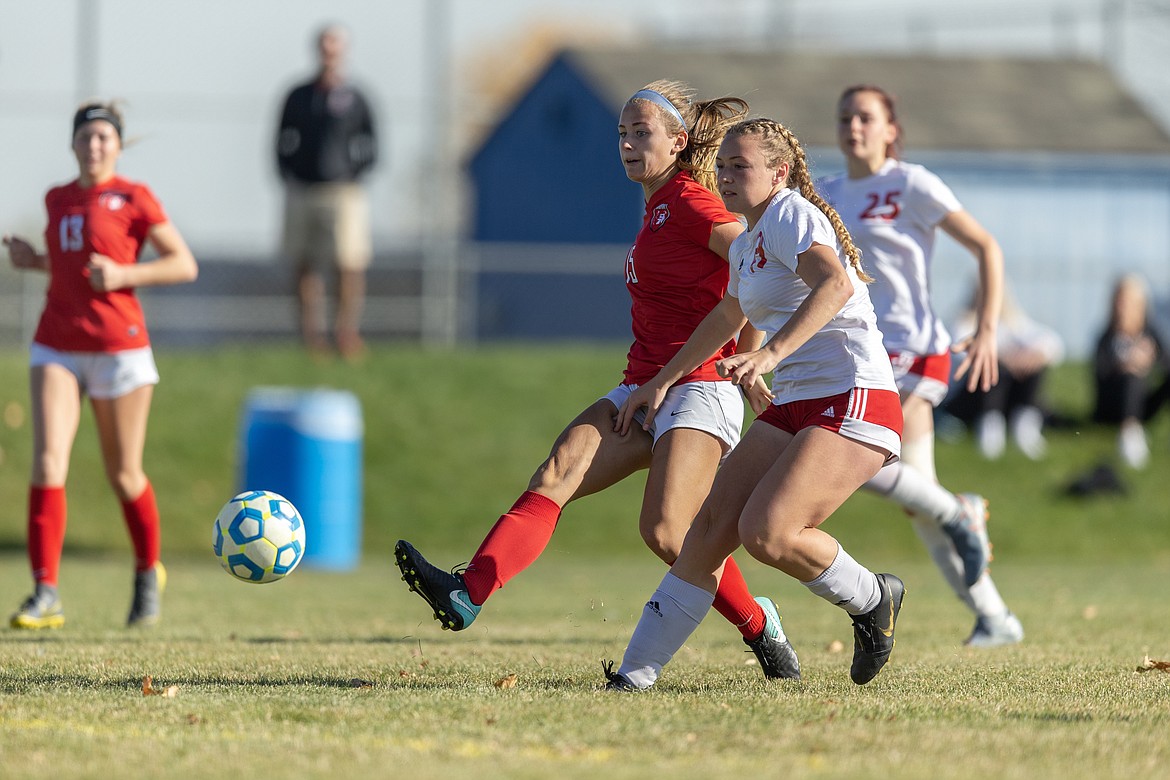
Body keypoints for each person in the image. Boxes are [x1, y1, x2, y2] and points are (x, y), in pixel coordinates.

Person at [395, 81, 802, 681]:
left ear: (679, 141)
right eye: (621, 134)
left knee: (668, 532)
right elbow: (734, 287)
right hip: (643, 387)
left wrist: (748, 360)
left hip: (698, 389)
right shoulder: (656, 208)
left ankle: (762, 629)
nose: (628, 145)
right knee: (556, 472)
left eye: (642, 133)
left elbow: (756, 270)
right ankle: (467, 593)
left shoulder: (694, 203)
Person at [604, 117, 904, 691]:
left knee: (769, 532)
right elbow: (726, 316)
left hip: (854, 394)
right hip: (795, 401)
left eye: (740, 166)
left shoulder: (791, 213)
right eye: (722, 166)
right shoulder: (747, 241)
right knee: (708, 530)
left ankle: (873, 597)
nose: (726, 176)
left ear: (780, 172)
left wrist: (769, 355)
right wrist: (667, 378)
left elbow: (835, 285)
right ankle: (634, 678)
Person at [818, 84, 1024, 648]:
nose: (853, 127)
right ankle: (996, 616)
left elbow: (987, 247)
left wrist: (986, 329)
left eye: (865, 117)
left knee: (871, 468)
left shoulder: (911, 183)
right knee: (919, 500)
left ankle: (960, 513)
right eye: (844, 118)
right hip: (867, 357)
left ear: (891, 129)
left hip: (919, 352)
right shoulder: (826, 193)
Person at [3, 102, 198, 630]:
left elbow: (184, 264)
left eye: (104, 137)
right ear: (72, 144)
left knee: (124, 473)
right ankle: (46, 592)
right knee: (48, 463)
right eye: (86, 136)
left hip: (120, 349)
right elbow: (68, 265)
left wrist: (123, 275)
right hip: (57, 344)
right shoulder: (57, 198)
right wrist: (33, 261)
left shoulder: (134, 197)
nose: (94, 145)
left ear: (117, 145)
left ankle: (145, 573)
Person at [276, 23, 378, 360]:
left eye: (335, 45)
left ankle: (346, 333)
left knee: (349, 264)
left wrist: (355, 173)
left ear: (344, 50)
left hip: (343, 191)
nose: (329, 51)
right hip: (303, 189)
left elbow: (372, 142)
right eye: (324, 45)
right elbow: (281, 140)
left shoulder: (356, 97)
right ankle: (311, 337)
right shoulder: (298, 95)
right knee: (305, 264)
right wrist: (288, 174)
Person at [944, 286, 1065, 460]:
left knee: (1033, 366)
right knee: (992, 366)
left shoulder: (1013, 324)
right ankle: (989, 423)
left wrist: (1034, 356)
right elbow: (960, 352)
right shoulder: (963, 322)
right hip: (969, 398)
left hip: (1007, 398)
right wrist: (1002, 358)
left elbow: (1052, 342)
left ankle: (1025, 423)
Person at [1092, 273, 1169, 469]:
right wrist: (1126, 364)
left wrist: (1148, 361)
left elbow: (1165, 365)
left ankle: (1134, 425)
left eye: (1126, 301)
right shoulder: (1107, 336)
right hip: (1111, 406)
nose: (1121, 306)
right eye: (1118, 301)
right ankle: (1129, 434)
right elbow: (1100, 374)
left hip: (1142, 403)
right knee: (1131, 376)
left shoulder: (1150, 334)